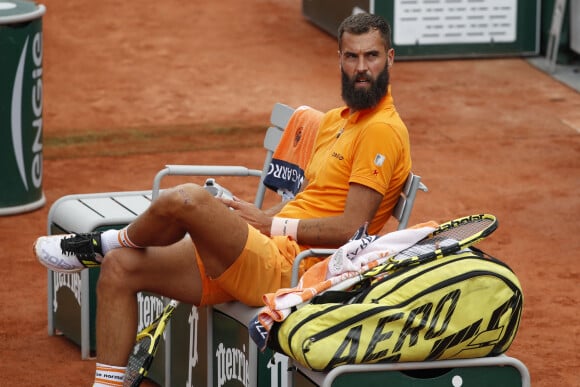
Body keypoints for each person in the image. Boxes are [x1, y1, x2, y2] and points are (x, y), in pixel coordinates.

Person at [34, 13, 411, 387]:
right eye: (352, 57)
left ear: (390, 59)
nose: (361, 68)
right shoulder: (337, 120)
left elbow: (351, 229)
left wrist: (269, 224)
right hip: (265, 250)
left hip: (293, 272)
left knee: (187, 198)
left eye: (371, 56)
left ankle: (99, 244)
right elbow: (309, 200)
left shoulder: (381, 131)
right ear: (340, 60)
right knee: (119, 269)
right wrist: (254, 218)